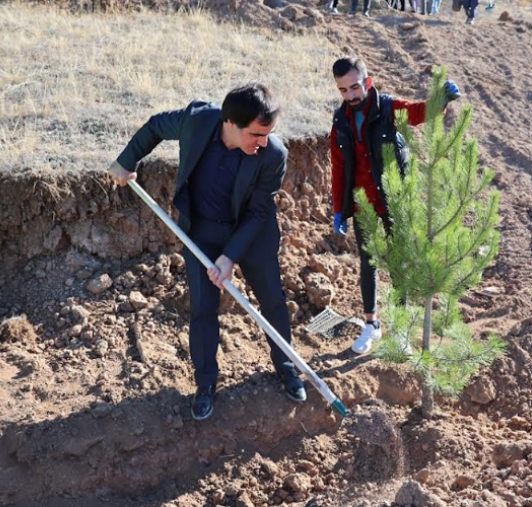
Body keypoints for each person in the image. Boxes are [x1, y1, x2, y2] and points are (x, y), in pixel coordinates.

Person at [108, 84, 307, 421]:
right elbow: (156, 125)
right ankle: (205, 385)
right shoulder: (198, 120)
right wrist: (125, 161)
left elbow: (259, 212)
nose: (263, 142)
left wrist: (229, 258)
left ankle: (287, 367)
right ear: (230, 122)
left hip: (251, 234)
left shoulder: (273, 154)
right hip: (202, 231)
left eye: (268, 134)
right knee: (202, 308)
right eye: (257, 134)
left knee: (272, 299)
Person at [329, 57, 460, 355]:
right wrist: (340, 208)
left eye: (355, 87)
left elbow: (416, 113)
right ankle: (371, 325)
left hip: (394, 203)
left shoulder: (387, 108)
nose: (350, 95)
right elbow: (339, 168)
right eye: (343, 90)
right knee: (369, 265)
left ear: (368, 82)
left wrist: (439, 100)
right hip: (364, 207)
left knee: (399, 265)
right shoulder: (340, 124)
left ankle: (399, 329)